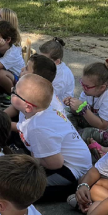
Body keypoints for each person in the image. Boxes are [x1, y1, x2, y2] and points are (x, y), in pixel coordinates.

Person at [14, 74, 92, 202]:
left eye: (15, 92)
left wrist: (32, 158)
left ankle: (72, 189)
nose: (12, 92)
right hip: (62, 156)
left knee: (23, 192)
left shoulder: (38, 127)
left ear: (27, 106)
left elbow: (55, 163)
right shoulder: (38, 111)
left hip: (71, 169)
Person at [64, 58, 108, 154]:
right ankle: (74, 137)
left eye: (87, 86)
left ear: (102, 87)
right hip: (98, 120)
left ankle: (76, 142)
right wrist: (73, 105)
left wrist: (82, 109)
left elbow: (103, 125)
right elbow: (81, 109)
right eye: (82, 83)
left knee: (85, 134)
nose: (83, 88)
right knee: (65, 112)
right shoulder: (89, 90)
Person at [39, 37, 75, 102]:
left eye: (44, 60)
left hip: (60, 106)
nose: (40, 62)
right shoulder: (50, 67)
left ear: (57, 61)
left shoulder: (61, 77)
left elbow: (49, 95)